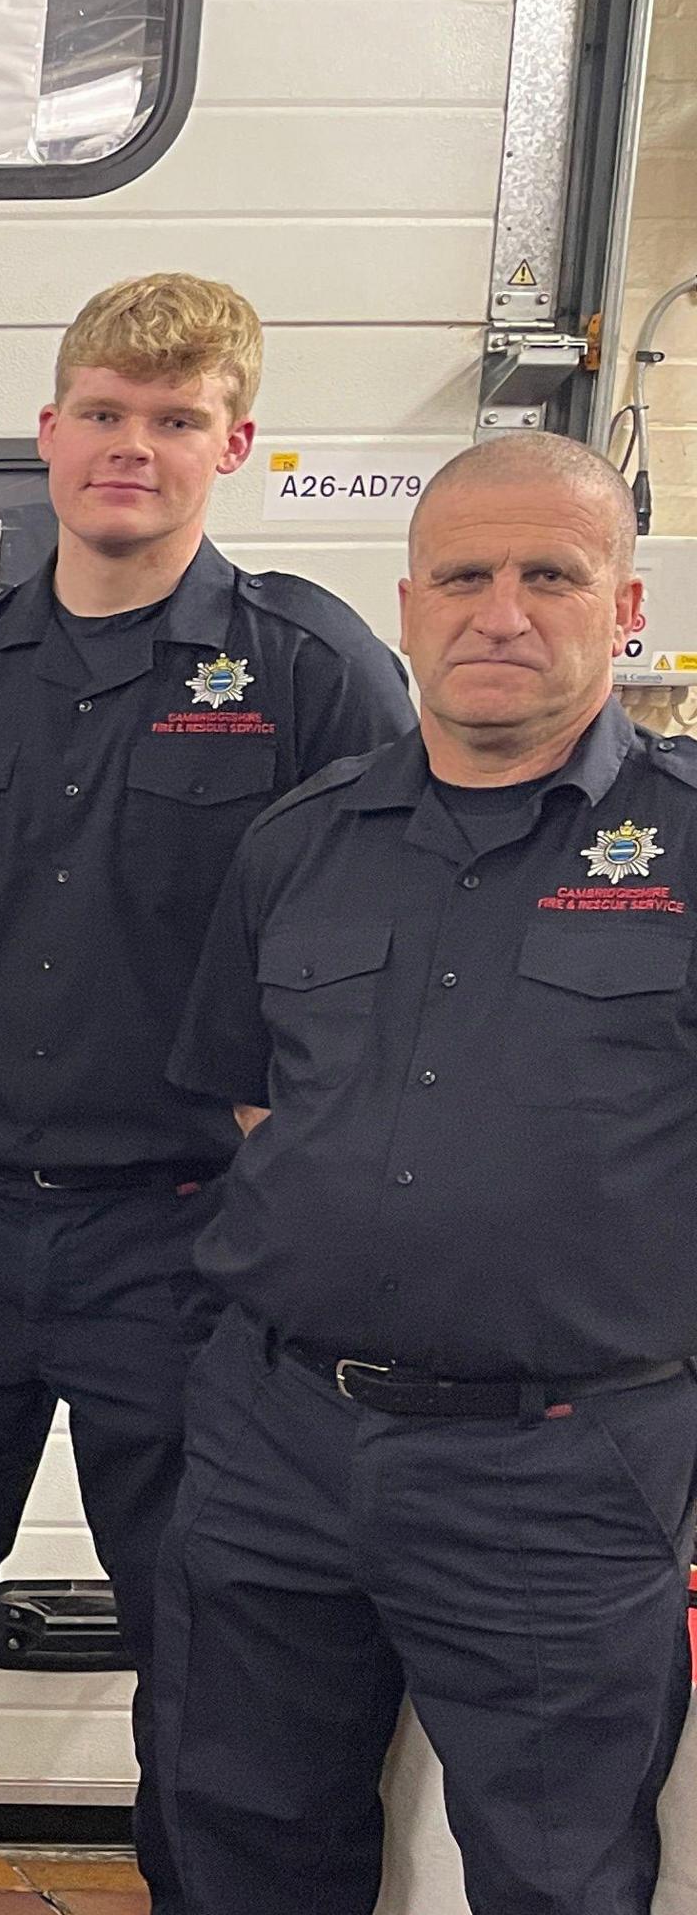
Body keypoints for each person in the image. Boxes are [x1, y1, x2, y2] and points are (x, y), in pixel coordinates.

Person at [0, 274, 413, 1915]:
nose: (131, 448)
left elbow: (385, 926)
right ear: (49, 431)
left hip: (189, 1244)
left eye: (175, 420)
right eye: (106, 414)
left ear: (235, 444)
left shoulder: (310, 667)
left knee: (205, 1624)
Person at [157, 433, 696, 1913]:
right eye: (463, 576)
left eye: (550, 575)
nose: (501, 612)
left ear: (623, 604)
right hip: (279, 1444)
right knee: (243, 1839)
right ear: (407, 606)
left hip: (566, 1462)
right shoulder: (298, 844)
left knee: (557, 1869)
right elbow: (254, 1104)